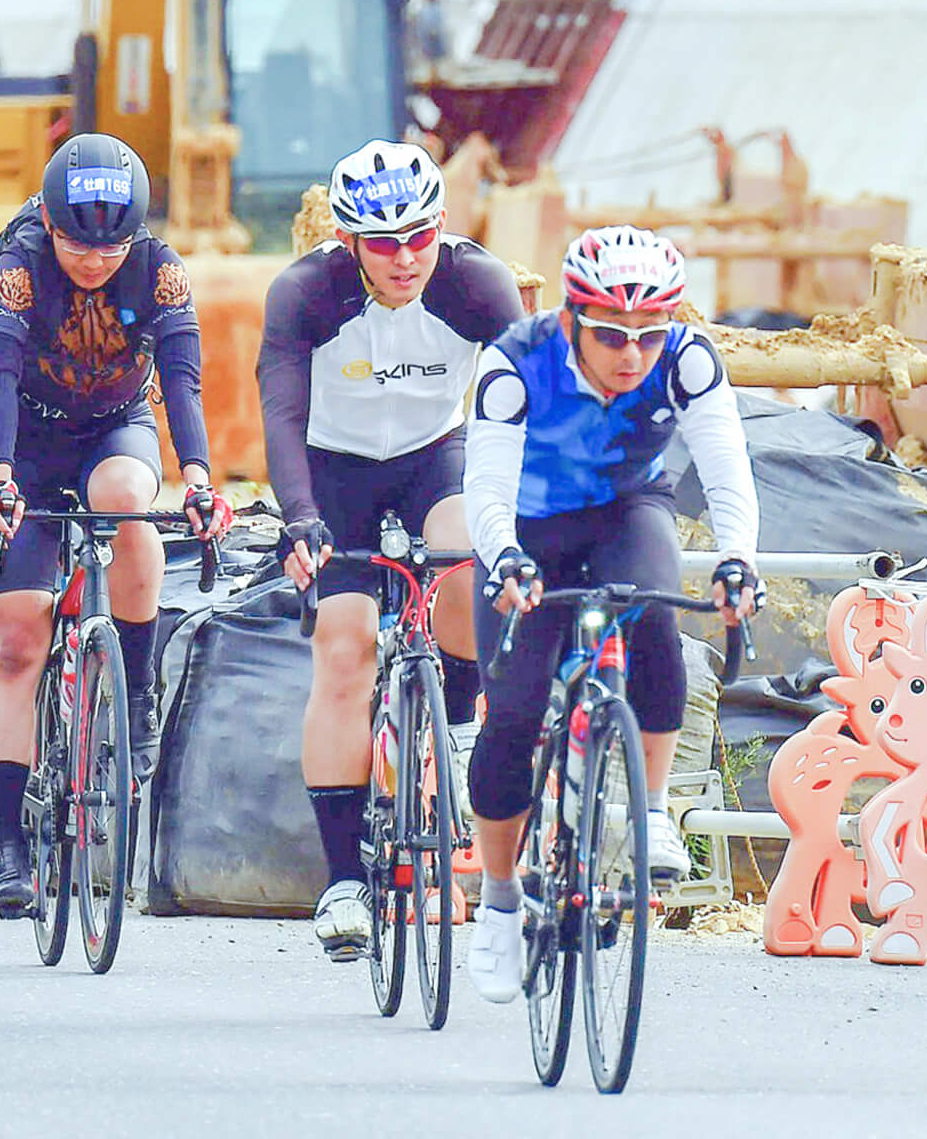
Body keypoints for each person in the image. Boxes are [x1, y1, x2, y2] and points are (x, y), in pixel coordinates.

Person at [460, 224, 761, 1005]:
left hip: (626, 510)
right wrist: (505, 559)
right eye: (610, 335)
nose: (632, 354)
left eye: (647, 335)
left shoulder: (689, 359)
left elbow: (728, 468)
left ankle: (654, 811)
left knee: (658, 617)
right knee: (514, 715)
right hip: (528, 532)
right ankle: (497, 902)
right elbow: (485, 490)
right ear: (571, 322)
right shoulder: (514, 364)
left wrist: (739, 561)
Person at [261, 140, 521, 961]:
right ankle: (344, 880)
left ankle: (459, 721)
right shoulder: (305, 293)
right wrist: (299, 517)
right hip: (335, 470)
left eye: (419, 236)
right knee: (345, 650)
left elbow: (533, 398)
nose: (405, 257)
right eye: (382, 242)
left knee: (463, 556)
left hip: (435, 454)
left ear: (442, 225)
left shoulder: (478, 283)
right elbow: (281, 414)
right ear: (348, 243)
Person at [0, 133, 229, 919]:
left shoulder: (161, 269)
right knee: (17, 641)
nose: (93, 261)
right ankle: (9, 846)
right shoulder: (17, 265)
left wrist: (200, 476)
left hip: (116, 425)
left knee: (127, 498)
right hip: (33, 441)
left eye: (111, 247)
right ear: (48, 224)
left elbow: (180, 379)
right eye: (77, 244)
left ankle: (138, 684)